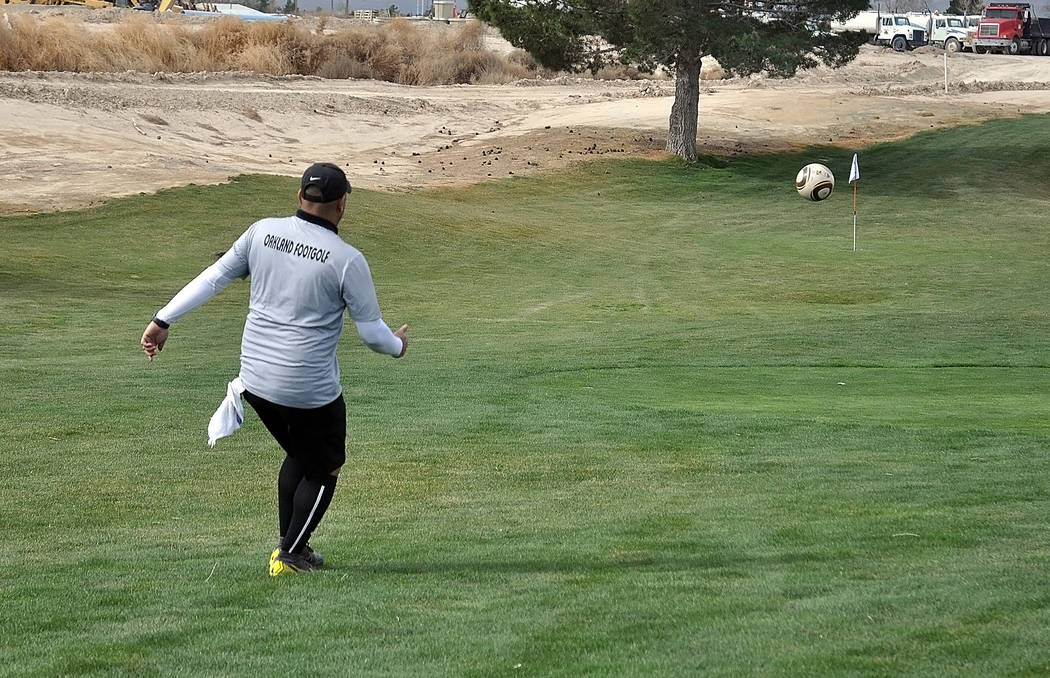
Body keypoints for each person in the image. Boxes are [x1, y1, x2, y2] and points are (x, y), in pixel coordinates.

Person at [140, 162, 408, 577]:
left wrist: (162, 320)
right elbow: (373, 335)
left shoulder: (262, 231)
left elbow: (213, 279)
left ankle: (290, 546)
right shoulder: (347, 260)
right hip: (308, 388)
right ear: (342, 205)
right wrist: (399, 346)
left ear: (300, 197)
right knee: (325, 466)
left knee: (300, 456)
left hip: (256, 382)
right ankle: (291, 554)